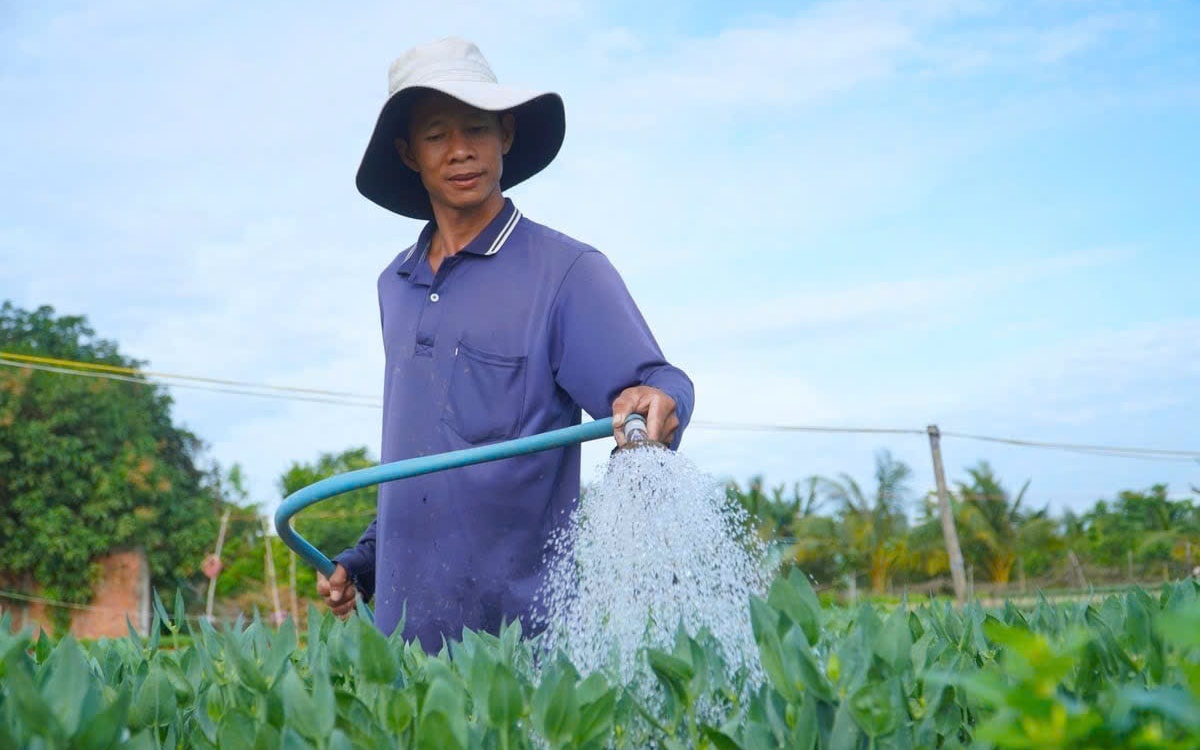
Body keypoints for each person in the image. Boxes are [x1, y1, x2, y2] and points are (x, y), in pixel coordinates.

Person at [317, 37, 694, 651]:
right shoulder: (396, 284)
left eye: (477, 128)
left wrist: (658, 399)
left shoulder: (566, 271)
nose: (461, 150)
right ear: (408, 153)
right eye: (437, 134)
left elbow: (659, 382)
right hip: (404, 647)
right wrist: (366, 560)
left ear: (507, 136)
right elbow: (424, 451)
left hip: (521, 643)